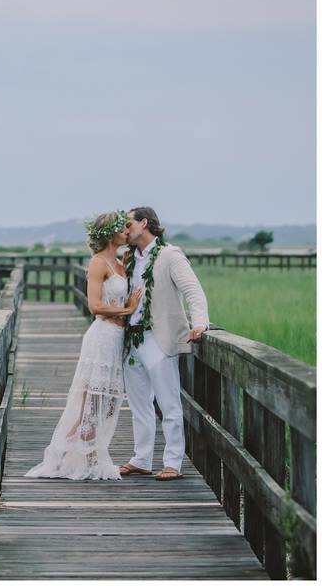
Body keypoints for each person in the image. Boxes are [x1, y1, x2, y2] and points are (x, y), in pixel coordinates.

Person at [25, 210, 142, 480]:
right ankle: (79, 458)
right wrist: (128, 310)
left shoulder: (119, 262)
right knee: (89, 402)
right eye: (122, 228)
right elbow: (95, 306)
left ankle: (77, 454)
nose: (127, 231)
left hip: (116, 340)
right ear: (110, 234)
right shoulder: (98, 263)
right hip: (101, 338)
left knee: (102, 402)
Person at [118, 206, 209, 482]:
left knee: (168, 403)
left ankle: (173, 462)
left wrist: (200, 322)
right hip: (132, 339)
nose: (124, 230)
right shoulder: (129, 257)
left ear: (144, 223)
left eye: (128, 224)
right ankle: (141, 459)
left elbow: (192, 290)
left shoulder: (170, 255)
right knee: (138, 404)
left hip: (159, 338)